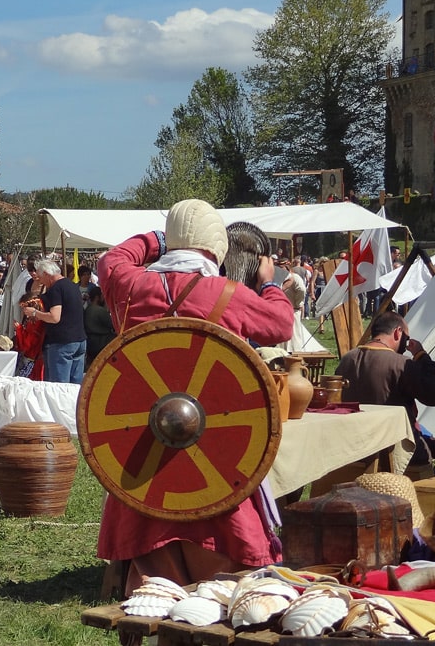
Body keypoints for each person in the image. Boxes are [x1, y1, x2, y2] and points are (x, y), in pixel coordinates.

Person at [96, 198, 294, 592]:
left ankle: (149, 589)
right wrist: (270, 282)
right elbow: (282, 323)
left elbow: (112, 260)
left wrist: (156, 241)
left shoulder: (131, 285)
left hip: (146, 444)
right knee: (223, 518)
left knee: (148, 515)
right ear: (217, 245)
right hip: (215, 447)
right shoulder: (228, 293)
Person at [336, 310, 435, 477]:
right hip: (395, 453)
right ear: (398, 332)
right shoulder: (402, 364)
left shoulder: (347, 359)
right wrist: (421, 355)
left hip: (354, 448)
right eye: (406, 338)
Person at [22, 258, 86, 384]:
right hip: (79, 340)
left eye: (40, 277)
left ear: (46, 274)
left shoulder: (55, 289)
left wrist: (34, 313)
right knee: (75, 386)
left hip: (61, 343)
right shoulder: (72, 286)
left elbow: (54, 317)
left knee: (58, 387)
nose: (41, 281)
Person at [84, 284, 115, 367]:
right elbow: (113, 325)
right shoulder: (100, 311)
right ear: (98, 297)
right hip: (101, 342)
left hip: (90, 342)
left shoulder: (88, 309)